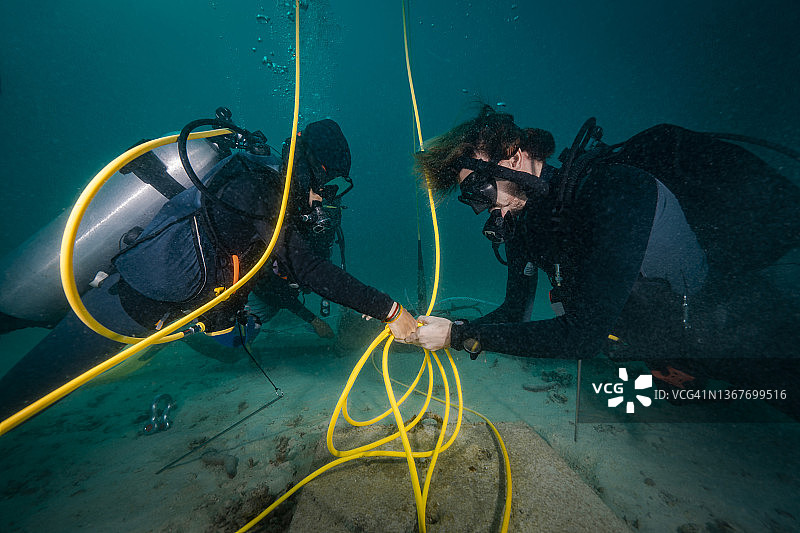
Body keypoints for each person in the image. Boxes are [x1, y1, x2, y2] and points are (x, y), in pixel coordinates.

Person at [0, 116, 415, 418]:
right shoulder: (261, 188)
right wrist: (389, 310)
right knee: (24, 395)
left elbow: (269, 271)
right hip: (130, 304)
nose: (323, 196)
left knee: (33, 369)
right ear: (312, 165)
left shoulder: (260, 180)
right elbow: (306, 269)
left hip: (143, 303)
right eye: (325, 182)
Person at [406, 105, 800, 409]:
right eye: (470, 198)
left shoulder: (616, 191)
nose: (480, 207)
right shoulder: (524, 223)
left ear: (514, 156)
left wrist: (458, 337)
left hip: (730, 327)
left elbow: (581, 337)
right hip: (664, 349)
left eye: (479, 187)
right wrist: (449, 326)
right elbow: (513, 312)